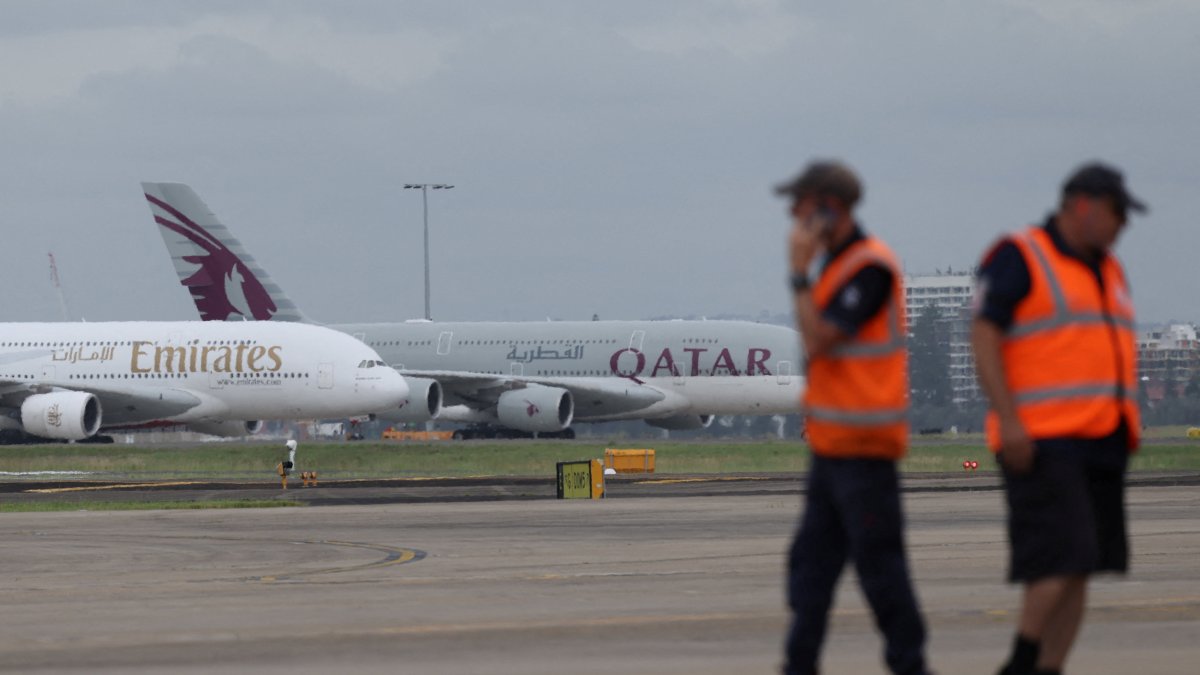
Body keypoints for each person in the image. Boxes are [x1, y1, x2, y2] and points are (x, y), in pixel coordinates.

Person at [971, 162, 1146, 675]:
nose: (1122, 226)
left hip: (1101, 438)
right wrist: (1011, 422)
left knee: (1083, 563)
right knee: (1061, 557)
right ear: (1083, 207)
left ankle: (1049, 667)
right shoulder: (1021, 256)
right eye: (1117, 214)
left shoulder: (1107, 268)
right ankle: (1022, 660)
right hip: (1044, 440)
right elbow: (984, 337)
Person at [778, 160, 930, 675]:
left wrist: (797, 273)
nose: (793, 219)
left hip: (865, 450)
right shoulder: (837, 268)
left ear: (829, 207)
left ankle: (911, 666)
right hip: (833, 448)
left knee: (882, 574)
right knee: (808, 573)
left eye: (799, 207)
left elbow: (821, 338)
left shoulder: (870, 267)